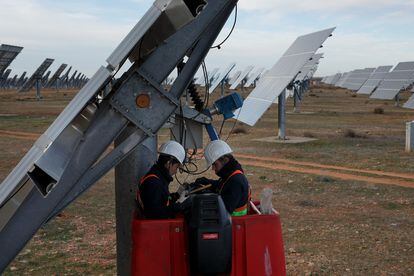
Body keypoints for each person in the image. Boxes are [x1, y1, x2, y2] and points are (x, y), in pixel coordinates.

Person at [195, 140, 250, 216]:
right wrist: (206, 181)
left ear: (225, 160)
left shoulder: (236, 181)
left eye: (215, 164)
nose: (213, 168)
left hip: (232, 223)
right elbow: (222, 185)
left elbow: (224, 210)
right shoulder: (230, 174)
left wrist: (205, 198)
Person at [137, 140, 189, 219]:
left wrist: (176, 195)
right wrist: (178, 205)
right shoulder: (154, 183)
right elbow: (156, 214)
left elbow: (162, 201)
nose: (176, 171)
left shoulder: (158, 177)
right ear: (169, 163)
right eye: (176, 167)